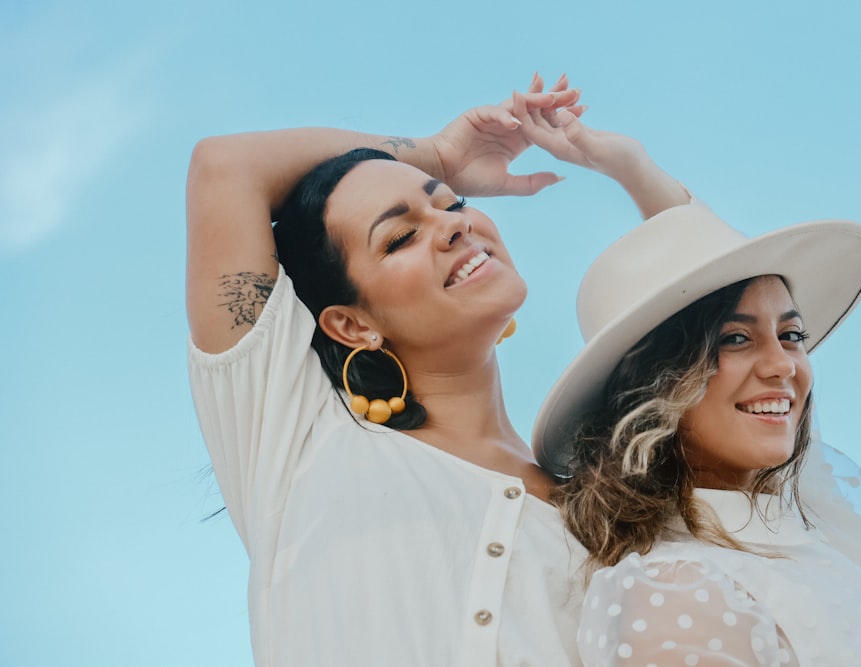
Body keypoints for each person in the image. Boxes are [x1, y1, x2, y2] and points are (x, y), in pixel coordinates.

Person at [184, 74, 690, 666]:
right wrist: (438, 157)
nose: (454, 223)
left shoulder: (605, 507)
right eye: (400, 237)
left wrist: (632, 169)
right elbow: (224, 166)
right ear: (351, 325)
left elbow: (751, 331)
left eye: (451, 203)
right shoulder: (298, 442)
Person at [530, 162, 861, 664]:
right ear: (653, 385)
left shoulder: (824, 532)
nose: (781, 365)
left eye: (792, 335)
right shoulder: (672, 588)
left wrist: (631, 164)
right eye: (734, 339)